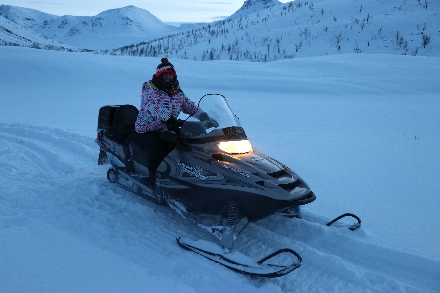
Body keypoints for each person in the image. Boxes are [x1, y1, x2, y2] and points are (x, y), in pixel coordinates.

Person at [131, 57, 217, 187]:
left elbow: (189, 106)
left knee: (193, 135)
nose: (168, 78)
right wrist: (168, 118)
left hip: (168, 126)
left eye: (170, 75)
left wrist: (204, 116)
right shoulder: (150, 88)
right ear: (159, 76)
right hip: (147, 128)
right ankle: (152, 178)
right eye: (165, 76)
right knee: (157, 146)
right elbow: (153, 106)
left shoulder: (177, 92)